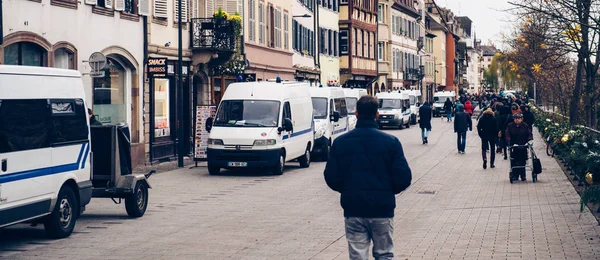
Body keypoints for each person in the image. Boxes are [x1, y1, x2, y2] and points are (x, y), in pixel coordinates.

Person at [324, 96, 412, 260]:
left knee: (358, 256)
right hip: (382, 208)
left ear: (356, 114)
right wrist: (388, 190)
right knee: (384, 254)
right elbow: (404, 177)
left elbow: (331, 176)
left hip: (354, 207)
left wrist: (347, 188)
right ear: (377, 115)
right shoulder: (391, 142)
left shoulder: (341, 142)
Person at [505, 113, 533, 181]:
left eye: (519, 118)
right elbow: (507, 133)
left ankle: (523, 175)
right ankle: (515, 175)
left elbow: (529, 133)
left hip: (523, 145)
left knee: (522, 160)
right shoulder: (510, 126)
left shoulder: (525, 126)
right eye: (515, 118)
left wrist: (529, 140)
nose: (517, 120)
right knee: (514, 160)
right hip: (514, 146)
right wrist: (509, 140)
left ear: (521, 119)